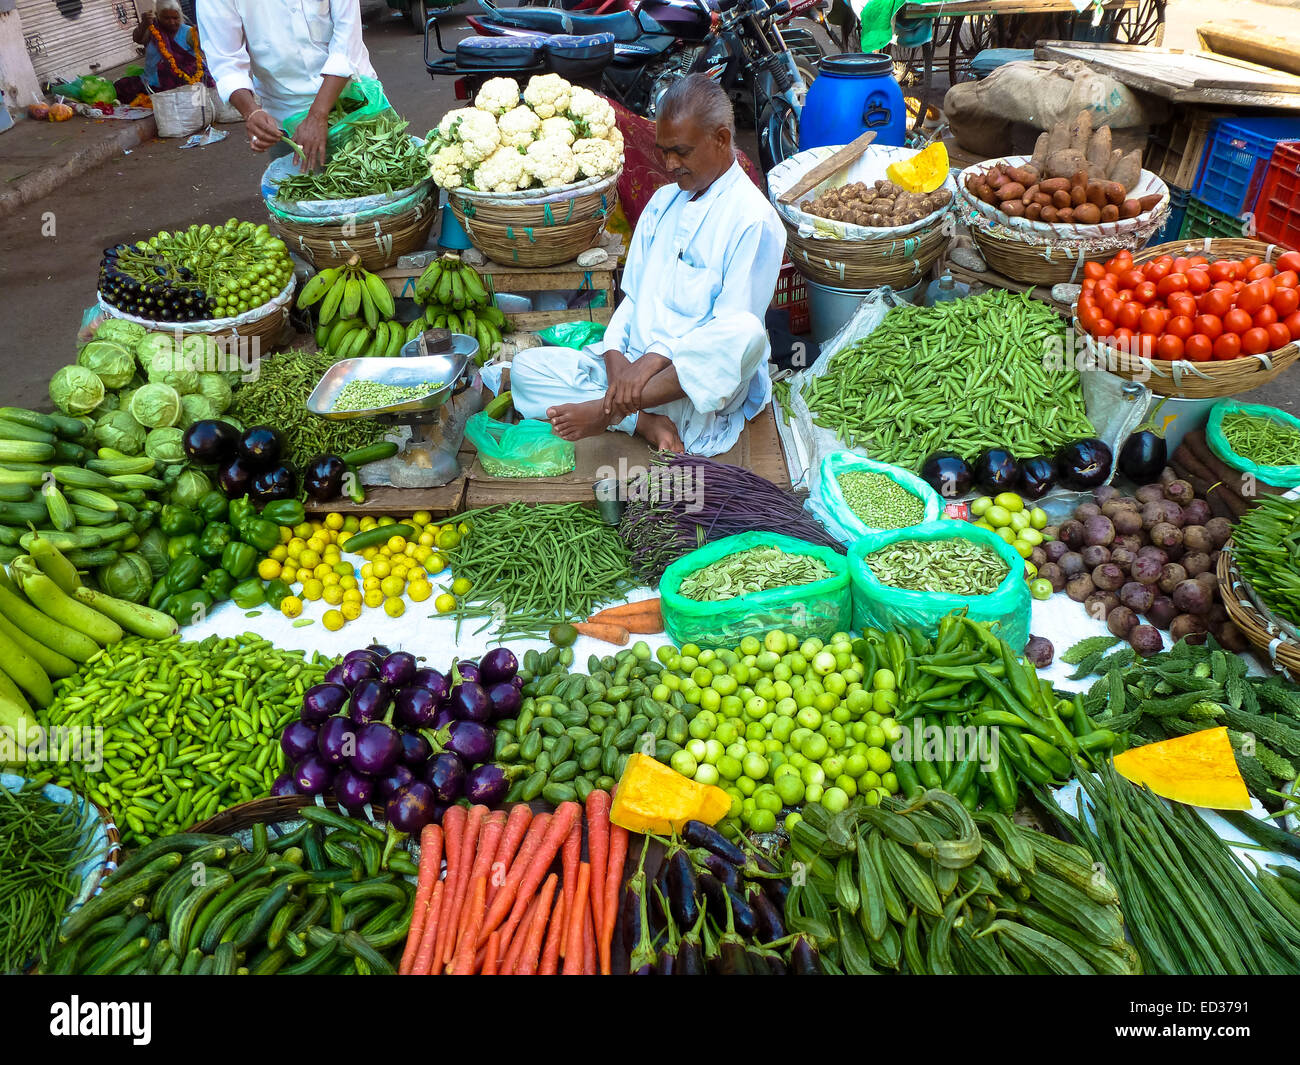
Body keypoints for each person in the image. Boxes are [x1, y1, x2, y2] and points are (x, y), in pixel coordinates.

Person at [490, 75, 784, 456]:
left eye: (681, 151)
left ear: (722, 139)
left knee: (745, 333)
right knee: (528, 370)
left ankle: (607, 412)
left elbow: (725, 334)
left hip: (691, 389)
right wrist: (618, 367)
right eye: (664, 151)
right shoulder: (663, 203)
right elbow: (631, 301)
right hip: (629, 377)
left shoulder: (753, 220)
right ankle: (642, 421)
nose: (669, 164)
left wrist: (652, 361)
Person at [197, 0, 376, 171]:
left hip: (354, 98)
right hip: (286, 112)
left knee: (379, 185)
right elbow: (226, 60)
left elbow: (346, 44)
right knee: (304, 193)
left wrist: (317, 114)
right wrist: (251, 112)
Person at [133, 1, 214, 92]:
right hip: (150, 81)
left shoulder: (189, 33)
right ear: (158, 16)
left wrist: (204, 34)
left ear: (180, 16)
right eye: (166, 18)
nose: (172, 22)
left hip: (181, 82)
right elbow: (137, 39)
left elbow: (207, 50)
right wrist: (144, 24)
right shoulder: (153, 29)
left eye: (175, 18)